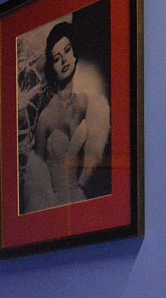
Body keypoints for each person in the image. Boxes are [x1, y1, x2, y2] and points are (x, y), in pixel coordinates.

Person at [27, 20, 110, 210]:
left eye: (66, 50)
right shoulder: (46, 118)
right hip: (55, 207)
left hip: (82, 201)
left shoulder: (88, 104)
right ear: (51, 67)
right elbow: (37, 178)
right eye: (56, 58)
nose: (64, 60)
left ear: (74, 53)